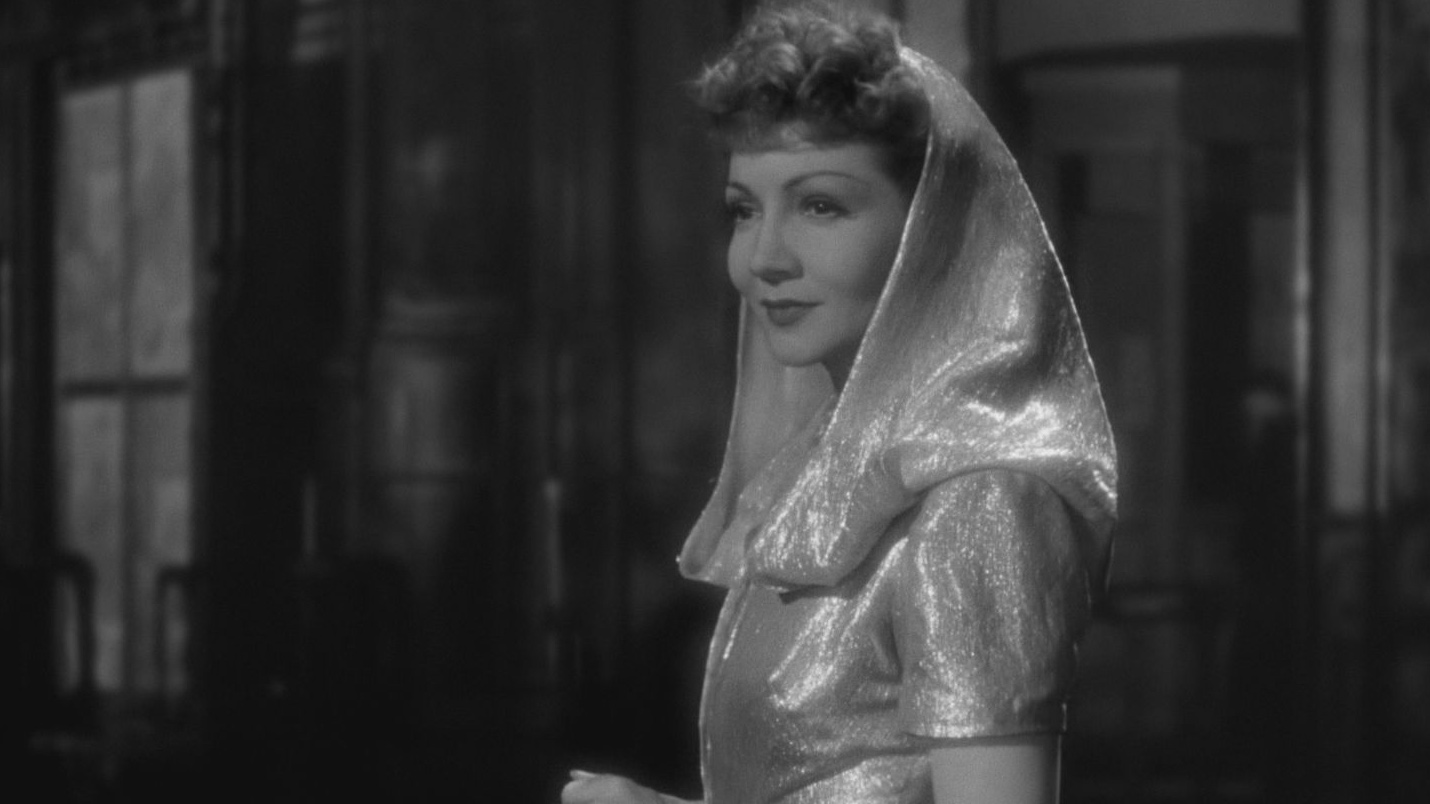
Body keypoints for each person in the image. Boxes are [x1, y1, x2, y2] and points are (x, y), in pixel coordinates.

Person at [563, 2, 1117, 802]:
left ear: (930, 228)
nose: (764, 256)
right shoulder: (816, 464)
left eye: (820, 205)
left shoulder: (979, 501)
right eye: (744, 209)